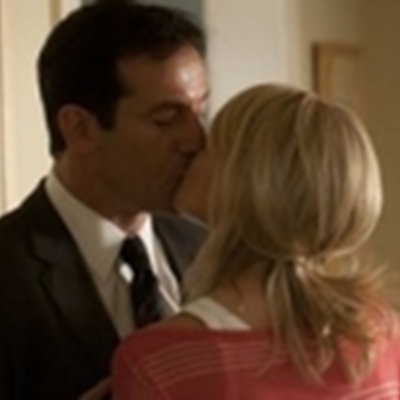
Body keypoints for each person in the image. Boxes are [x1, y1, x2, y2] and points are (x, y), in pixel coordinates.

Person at [113, 84, 400, 399]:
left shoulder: (160, 361)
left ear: (240, 177)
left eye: (210, 145)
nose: (192, 150)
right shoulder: (380, 334)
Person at [0, 3, 208, 399]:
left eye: (201, 112)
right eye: (166, 119)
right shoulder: (8, 271)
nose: (197, 141)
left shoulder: (210, 250)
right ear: (80, 129)